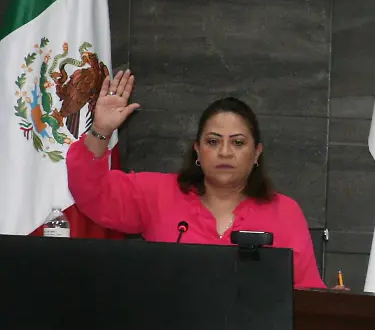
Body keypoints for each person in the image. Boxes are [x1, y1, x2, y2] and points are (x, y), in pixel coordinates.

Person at [66, 70, 326, 290]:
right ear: (198, 150)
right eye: (213, 142)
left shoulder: (284, 212)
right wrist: (101, 131)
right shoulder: (158, 195)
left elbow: (308, 296)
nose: (225, 152)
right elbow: (92, 193)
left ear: (256, 153)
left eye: (238, 143)